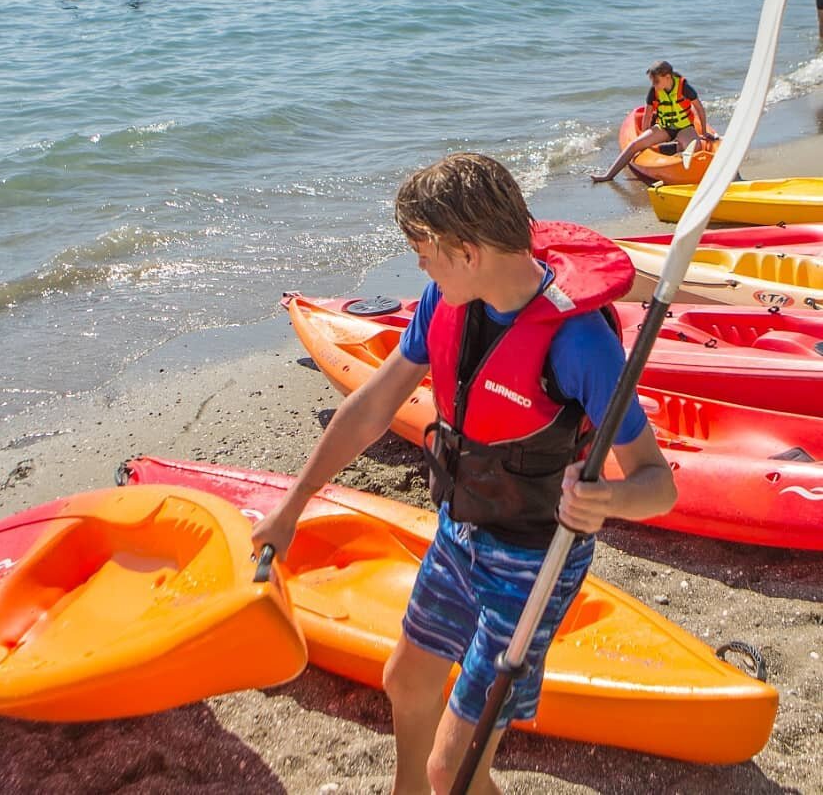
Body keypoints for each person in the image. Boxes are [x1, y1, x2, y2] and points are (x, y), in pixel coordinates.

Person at [251, 153, 675, 795]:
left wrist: (609, 500)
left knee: (456, 767)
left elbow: (658, 486)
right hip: (460, 531)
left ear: (470, 252)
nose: (418, 264)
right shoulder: (443, 301)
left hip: (533, 563)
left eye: (423, 250)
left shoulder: (579, 343)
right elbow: (370, 407)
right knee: (407, 681)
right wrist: (292, 506)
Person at [590, 61, 711, 183]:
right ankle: (608, 175)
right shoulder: (654, 91)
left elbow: (700, 109)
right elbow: (647, 116)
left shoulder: (685, 88)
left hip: (684, 128)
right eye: (652, 82)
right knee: (634, 145)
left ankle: (676, 149)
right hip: (664, 128)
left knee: (695, 148)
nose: (654, 85)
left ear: (668, 77)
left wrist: (704, 133)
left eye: (656, 81)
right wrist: (643, 137)